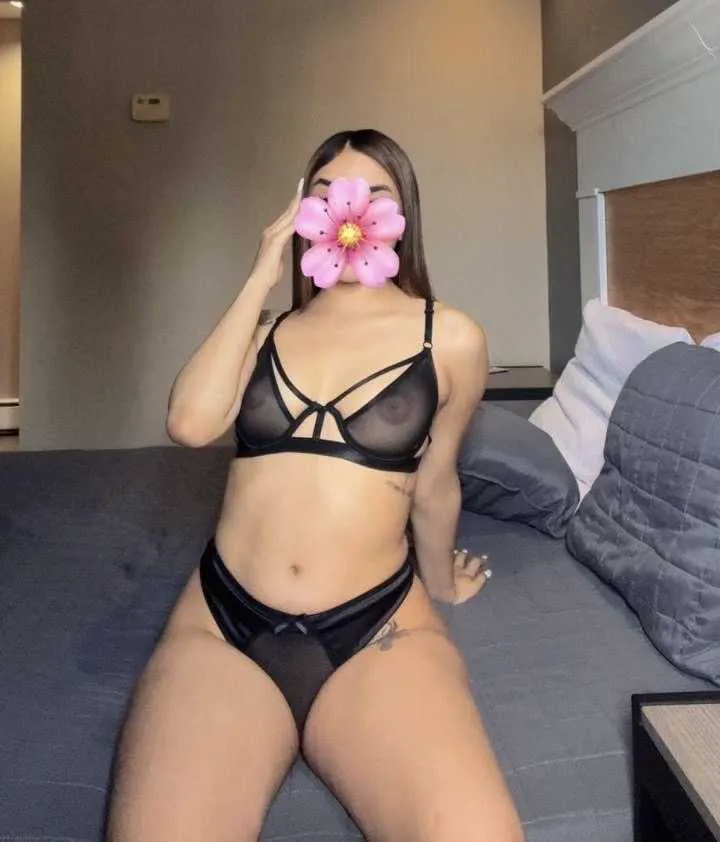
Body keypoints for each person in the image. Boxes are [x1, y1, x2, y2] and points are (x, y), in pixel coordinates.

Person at [105, 129, 524, 842]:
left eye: (372, 194)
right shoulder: (268, 330)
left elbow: (434, 484)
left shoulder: (449, 337)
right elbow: (190, 423)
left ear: (400, 215)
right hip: (224, 625)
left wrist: (443, 585)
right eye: (325, 195)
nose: (346, 210)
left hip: (377, 629)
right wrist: (261, 274)